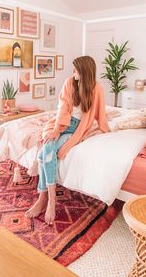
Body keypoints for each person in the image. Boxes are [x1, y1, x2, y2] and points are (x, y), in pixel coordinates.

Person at [25, 56, 109, 225]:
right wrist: (56, 129)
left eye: (76, 70)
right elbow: (63, 107)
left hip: (78, 128)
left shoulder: (97, 88)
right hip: (63, 124)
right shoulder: (69, 83)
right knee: (47, 149)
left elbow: (100, 111)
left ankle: (45, 199)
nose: (73, 73)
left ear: (85, 71)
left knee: (43, 156)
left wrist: (105, 129)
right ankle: (48, 199)